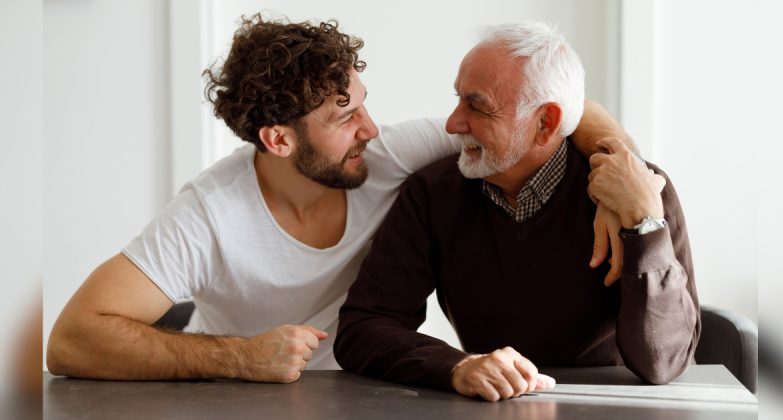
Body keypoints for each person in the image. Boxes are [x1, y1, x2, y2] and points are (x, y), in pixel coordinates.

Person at [47, 15, 636, 383]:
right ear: (278, 140)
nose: (372, 129)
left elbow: (558, 113)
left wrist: (618, 175)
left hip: (373, 390)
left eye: (363, 102)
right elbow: (72, 337)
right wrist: (238, 359)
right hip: (245, 402)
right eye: (344, 115)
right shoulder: (208, 215)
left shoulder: (386, 156)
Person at [334, 22, 700, 402]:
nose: (452, 123)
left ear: (546, 122)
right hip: (490, 407)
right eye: (458, 99)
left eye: (477, 105)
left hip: (610, 407)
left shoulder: (641, 193)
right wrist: (456, 366)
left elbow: (663, 363)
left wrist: (644, 226)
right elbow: (364, 326)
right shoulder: (432, 194)